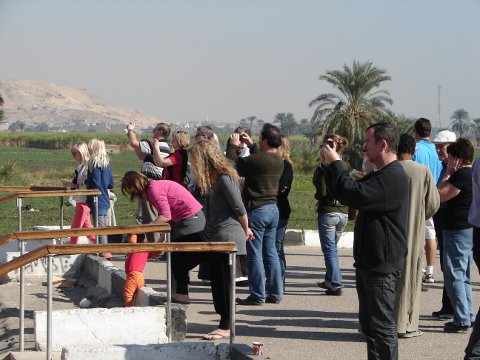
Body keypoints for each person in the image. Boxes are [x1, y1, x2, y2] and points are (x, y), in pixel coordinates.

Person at [320, 122, 409, 360]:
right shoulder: (379, 174)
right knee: (370, 327)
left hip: (381, 265)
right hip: (370, 262)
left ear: (383, 144)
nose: (363, 148)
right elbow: (345, 192)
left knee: (381, 328)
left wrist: (337, 164)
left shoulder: (393, 176)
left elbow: (355, 195)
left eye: (368, 142)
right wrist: (330, 167)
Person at [180, 140, 253, 340]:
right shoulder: (212, 179)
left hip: (227, 236)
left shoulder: (225, 178)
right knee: (182, 258)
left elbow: (239, 207)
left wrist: (247, 230)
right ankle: (180, 294)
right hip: (212, 234)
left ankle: (226, 325)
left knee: (223, 284)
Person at [120, 171, 205, 304]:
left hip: (191, 220)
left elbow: (165, 216)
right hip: (184, 220)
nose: (139, 198)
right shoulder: (155, 188)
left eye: (135, 194)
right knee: (174, 257)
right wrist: (162, 236)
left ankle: (181, 294)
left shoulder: (154, 190)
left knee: (178, 257)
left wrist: (148, 227)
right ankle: (177, 293)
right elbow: (169, 215)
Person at [227, 123, 284, 305]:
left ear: (265, 140)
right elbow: (261, 157)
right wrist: (251, 145)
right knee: (271, 253)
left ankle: (257, 295)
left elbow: (233, 165)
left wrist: (234, 146)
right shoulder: (279, 160)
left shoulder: (257, 160)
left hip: (257, 209)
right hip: (273, 209)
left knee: (255, 254)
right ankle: (275, 292)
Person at [395, 134, 440, 338]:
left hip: (390, 232)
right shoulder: (423, 171)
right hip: (413, 232)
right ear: (414, 150)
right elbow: (433, 204)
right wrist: (419, 215)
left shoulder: (389, 170)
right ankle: (407, 324)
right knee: (410, 279)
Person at [437, 138, 474, 332]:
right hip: (467, 229)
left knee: (454, 276)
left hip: (456, 231)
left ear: (457, 158)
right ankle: (467, 314)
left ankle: (461, 318)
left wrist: (448, 174)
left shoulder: (460, 176)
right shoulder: (472, 173)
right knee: (464, 275)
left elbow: (439, 196)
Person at [312, 134, 350, 296]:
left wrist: (321, 170)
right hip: (343, 212)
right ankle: (329, 279)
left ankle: (336, 283)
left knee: (329, 250)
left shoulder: (324, 168)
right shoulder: (345, 165)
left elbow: (321, 193)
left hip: (328, 212)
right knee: (332, 248)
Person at [126, 122, 171, 242]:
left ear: (160, 132)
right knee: (151, 214)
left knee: (150, 215)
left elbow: (134, 142)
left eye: (155, 129)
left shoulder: (153, 144)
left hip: (150, 186)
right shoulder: (165, 146)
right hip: (157, 185)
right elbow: (142, 156)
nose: (152, 132)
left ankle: (155, 245)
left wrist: (130, 130)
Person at [412, 118, 443, 284]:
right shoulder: (436, 150)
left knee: (415, 233)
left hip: (418, 196)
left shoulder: (415, 150)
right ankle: (430, 270)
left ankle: (418, 267)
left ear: (415, 132)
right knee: (430, 233)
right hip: (435, 196)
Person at [431, 129, 457, 319]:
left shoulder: (454, 170)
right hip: (442, 221)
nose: (439, 150)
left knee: (451, 266)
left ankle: (453, 307)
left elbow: (441, 194)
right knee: (445, 265)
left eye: (442, 147)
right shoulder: (444, 166)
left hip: (452, 223)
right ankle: (448, 306)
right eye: (437, 147)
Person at [62, 142, 96, 245]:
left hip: (84, 201)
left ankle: (71, 247)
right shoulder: (81, 167)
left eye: (75, 153)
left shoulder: (87, 167)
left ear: (82, 152)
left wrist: (71, 184)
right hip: (80, 199)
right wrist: (71, 184)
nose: (73, 156)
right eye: (72, 153)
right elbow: (79, 184)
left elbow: (84, 185)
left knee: (75, 228)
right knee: (88, 231)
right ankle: (104, 249)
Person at [85, 138, 114, 259]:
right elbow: (110, 184)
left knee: (100, 227)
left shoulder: (95, 164)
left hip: (97, 198)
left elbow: (96, 182)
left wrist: (86, 181)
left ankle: (104, 252)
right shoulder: (107, 164)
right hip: (105, 198)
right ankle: (102, 250)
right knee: (102, 224)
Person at [275, 135, 293, 292]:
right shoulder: (275, 164)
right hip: (275, 209)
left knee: (277, 248)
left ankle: (279, 284)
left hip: (280, 210)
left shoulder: (286, 165)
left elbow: (281, 190)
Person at [124, 233, 158, 307]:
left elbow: (132, 242)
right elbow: (156, 252)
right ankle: (134, 307)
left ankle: (128, 308)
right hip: (139, 275)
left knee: (128, 294)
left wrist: (134, 233)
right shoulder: (145, 251)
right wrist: (162, 239)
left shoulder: (135, 248)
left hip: (133, 275)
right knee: (136, 293)